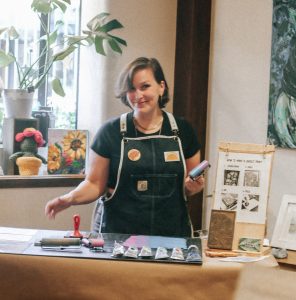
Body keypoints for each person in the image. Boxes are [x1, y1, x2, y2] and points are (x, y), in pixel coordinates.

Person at [45, 57, 205, 237]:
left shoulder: (183, 131)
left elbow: (189, 185)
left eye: (145, 86)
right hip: (119, 235)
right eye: (131, 89)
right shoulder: (110, 132)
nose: (138, 95)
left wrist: (193, 188)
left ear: (161, 87)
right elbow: (94, 184)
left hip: (172, 235)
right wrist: (69, 199)